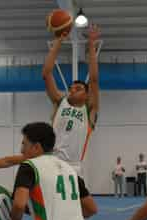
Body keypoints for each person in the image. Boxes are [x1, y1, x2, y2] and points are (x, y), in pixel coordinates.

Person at [11, 122, 95, 220]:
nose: (21, 149)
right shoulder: (69, 169)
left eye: (24, 144)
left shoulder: (29, 166)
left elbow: (18, 204)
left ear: (36, 147)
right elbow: (91, 208)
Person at [42, 24, 100, 177]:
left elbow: (93, 79)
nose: (72, 89)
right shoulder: (60, 102)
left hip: (74, 167)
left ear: (87, 95)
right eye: (71, 87)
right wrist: (58, 41)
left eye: (78, 88)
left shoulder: (90, 110)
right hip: (52, 163)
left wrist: (92, 45)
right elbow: (46, 73)